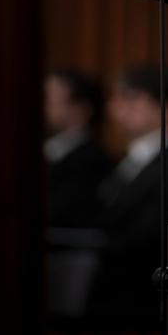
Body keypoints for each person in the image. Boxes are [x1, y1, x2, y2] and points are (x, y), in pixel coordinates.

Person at [85, 64, 168, 328]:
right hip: (108, 298)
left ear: (167, 111)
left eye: (130, 98)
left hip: (138, 307)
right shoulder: (128, 160)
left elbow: (148, 243)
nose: (115, 108)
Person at [44, 66, 115, 319]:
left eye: (49, 100)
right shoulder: (46, 154)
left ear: (79, 111)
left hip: (65, 268)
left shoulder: (93, 162)